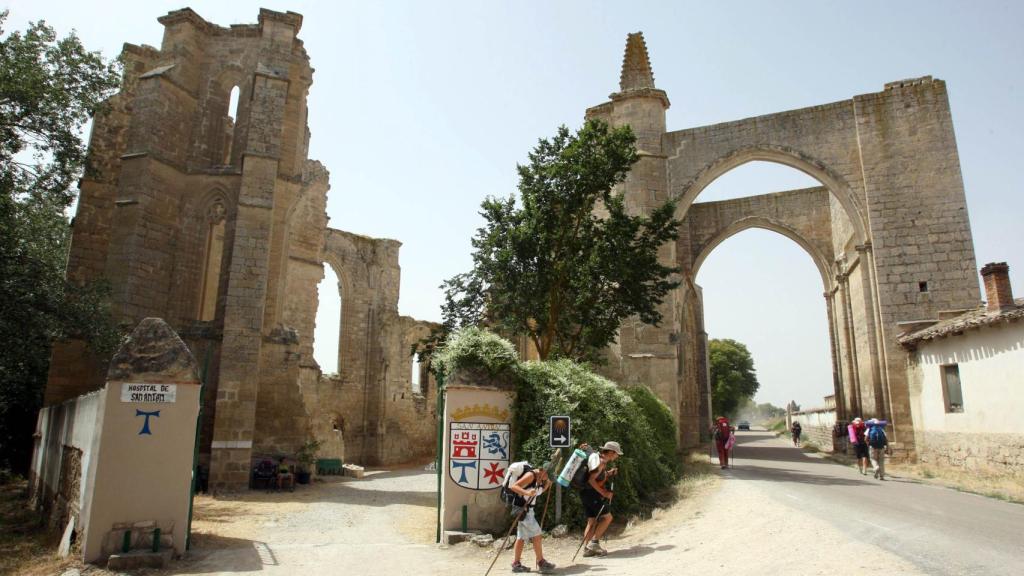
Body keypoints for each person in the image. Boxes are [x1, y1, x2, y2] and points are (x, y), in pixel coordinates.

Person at [509, 464, 556, 574]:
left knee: (521, 538)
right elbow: (514, 487)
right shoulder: (531, 475)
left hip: (529, 511)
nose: (548, 478)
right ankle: (541, 562)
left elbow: (537, 492)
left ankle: (516, 564)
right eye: (548, 476)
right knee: (537, 535)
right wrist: (526, 492)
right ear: (543, 471)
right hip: (524, 510)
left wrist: (548, 484)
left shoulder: (540, 478)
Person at [581, 441, 622, 558]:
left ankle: (587, 549)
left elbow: (596, 476)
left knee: (592, 521)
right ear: (610, 452)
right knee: (608, 518)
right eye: (616, 453)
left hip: (585, 493)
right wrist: (604, 492)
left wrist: (608, 473)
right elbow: (591, 480)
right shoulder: (601, 462)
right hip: (592, 494)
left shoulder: (597, 459)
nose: (617, 456)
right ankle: (594, 543)